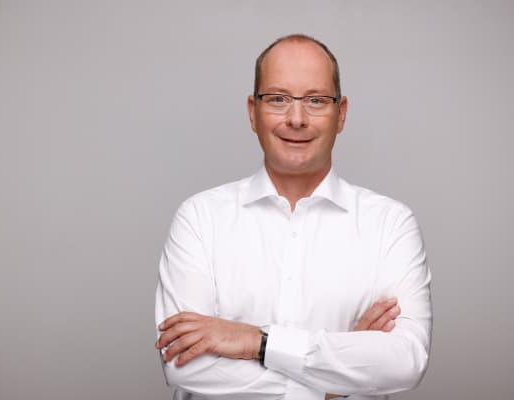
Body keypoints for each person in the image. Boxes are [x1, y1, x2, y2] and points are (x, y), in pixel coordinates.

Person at [155, 34, 432, 400]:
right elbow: (183, 364)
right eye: (278, 99)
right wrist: (333, 385)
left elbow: (406, 360)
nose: (296, 119)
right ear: (252, 111)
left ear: (341, 113)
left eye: (316, 100)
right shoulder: (199, 219)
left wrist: (257, 342)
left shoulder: (390, 224)